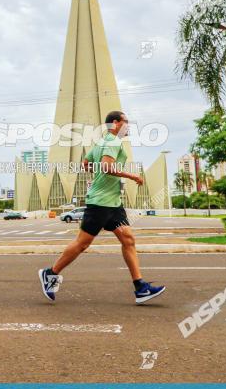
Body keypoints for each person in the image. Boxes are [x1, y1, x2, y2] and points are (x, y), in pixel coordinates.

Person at [38, 111, 165, 304]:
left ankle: (140, 288)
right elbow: (106, 167)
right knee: (83, 243)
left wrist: (99, 175)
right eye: (126, 122)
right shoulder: (113, 142)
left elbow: (86, 164)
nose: (128, 126)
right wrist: (132, 176)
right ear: (115, 123)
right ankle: (50, 273)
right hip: (100, 202)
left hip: (112, 202)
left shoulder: (101, 143)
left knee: (128, 239)